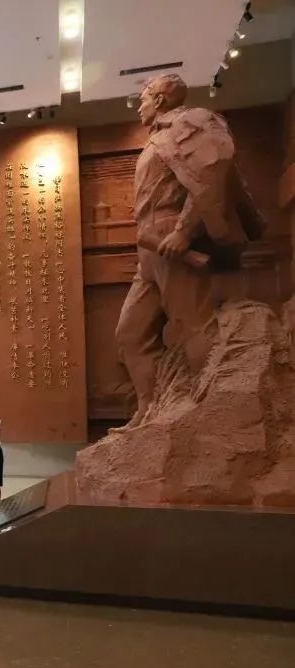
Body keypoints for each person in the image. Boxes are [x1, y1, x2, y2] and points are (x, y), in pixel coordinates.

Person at [116, 73, 261, 432]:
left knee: (194, 326)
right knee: (131, 334)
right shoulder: (156, 139)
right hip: (150, 248)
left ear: (160, 99)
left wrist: (184, 230)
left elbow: (212, 175)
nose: (139, 106)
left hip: (173, 241)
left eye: (143, 98)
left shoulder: (191, 123)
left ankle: (216, 412)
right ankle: (150, 412)